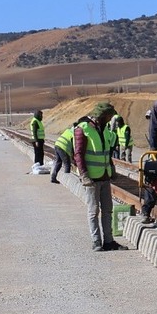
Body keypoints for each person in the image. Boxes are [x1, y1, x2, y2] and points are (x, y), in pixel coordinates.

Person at [73, 102, 120, 251]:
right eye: (109, 116)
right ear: (102, 115)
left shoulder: (104, 129)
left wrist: (111, 168)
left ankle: (109, 241)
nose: (110, 119)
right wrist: (84, 175)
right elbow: (78, 154)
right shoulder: (83, 129)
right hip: (92, 179)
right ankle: (96, 241)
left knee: (107, 211)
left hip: (104, 177)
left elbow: (106, 151)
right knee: (93, 211)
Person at [49, 117, 78, 182]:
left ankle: (53, 177)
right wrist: (73, 158)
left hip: (57, 144)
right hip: (63, 147)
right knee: (67, 164)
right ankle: (67, 181)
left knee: (58, 162)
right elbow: (74, 148)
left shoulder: (68, 130)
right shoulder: (74, 134)